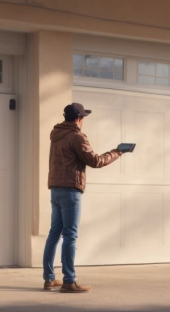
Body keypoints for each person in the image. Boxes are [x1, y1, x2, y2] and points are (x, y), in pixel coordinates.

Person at [42, 103, 122, 293]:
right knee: (70, 235)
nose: (83, 121)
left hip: (56, 188)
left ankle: (49, 279)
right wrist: (117, 152)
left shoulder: (56, 134)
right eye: (84, 117)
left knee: (54, 233)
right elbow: (95, 161)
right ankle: (69, 281)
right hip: (71, 190)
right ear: (79, 118)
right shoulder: (77, 137)